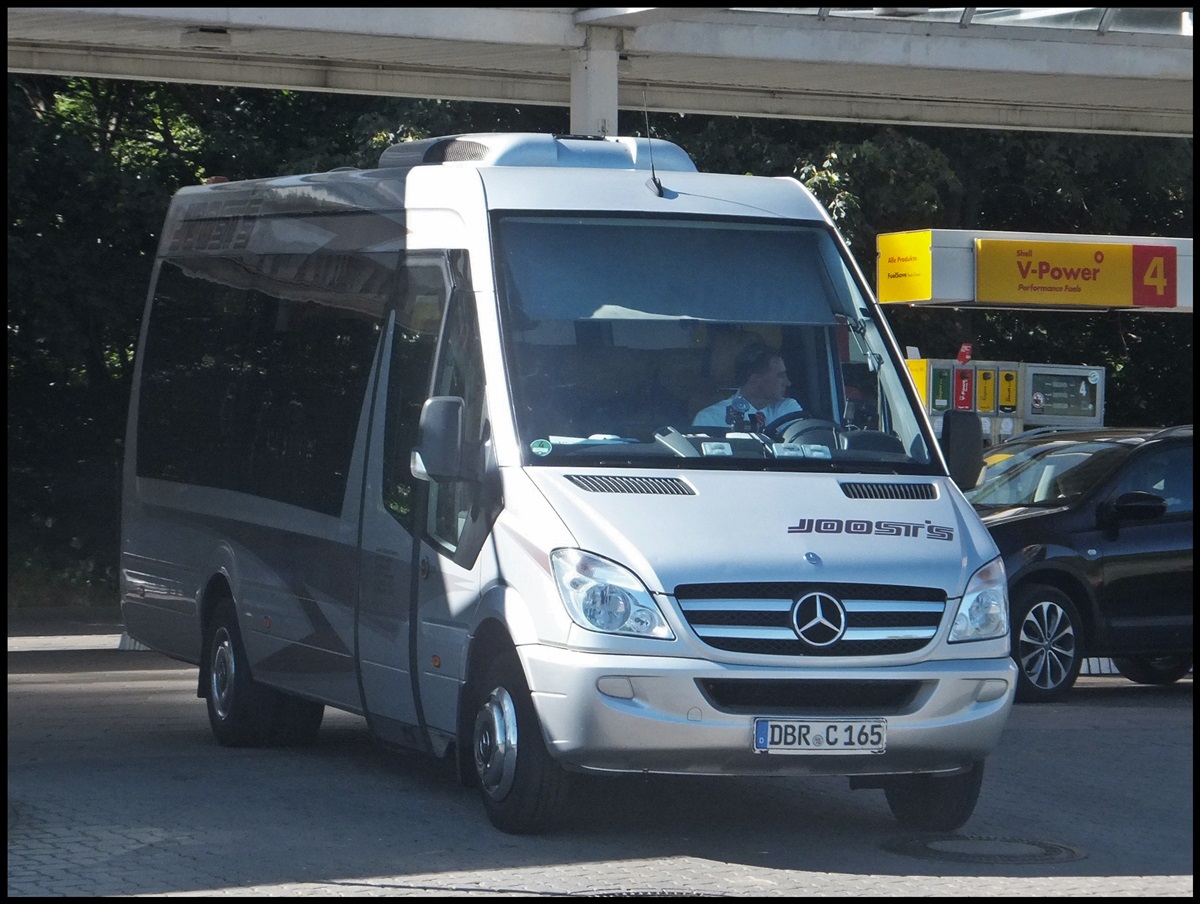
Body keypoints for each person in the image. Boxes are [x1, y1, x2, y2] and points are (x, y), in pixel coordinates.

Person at [692, 342, 803, 430]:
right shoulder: (711, 419)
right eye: (780, 376)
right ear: (754, 379)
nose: (787, 382)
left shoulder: (788, 408)